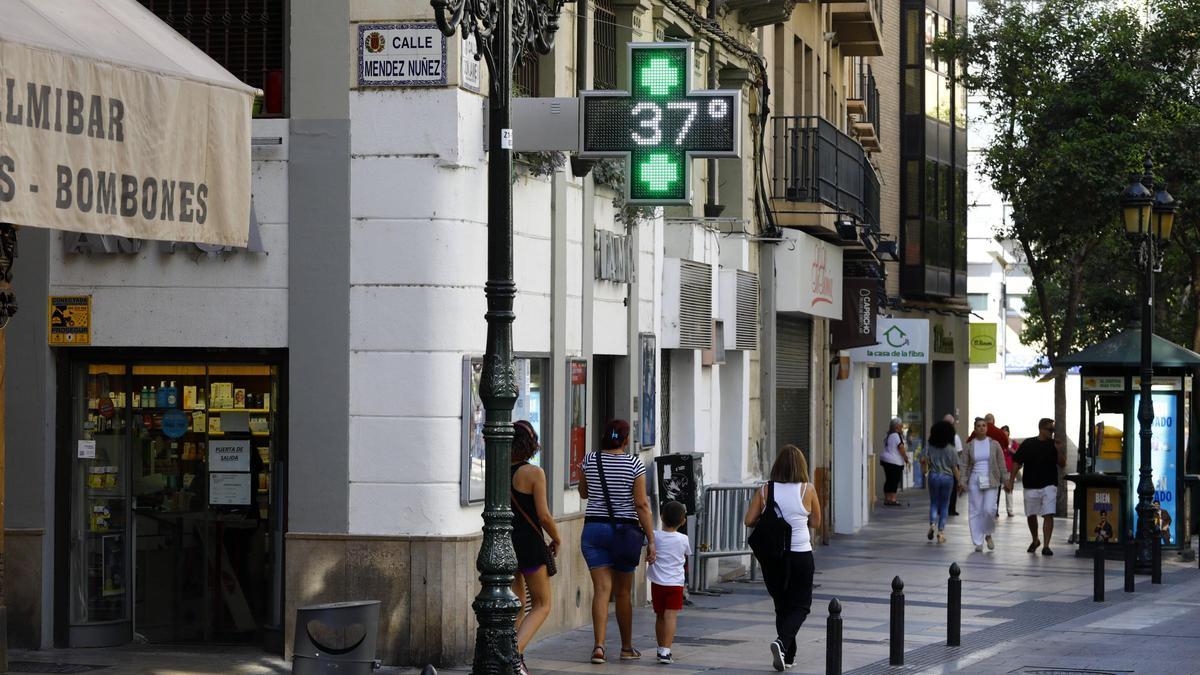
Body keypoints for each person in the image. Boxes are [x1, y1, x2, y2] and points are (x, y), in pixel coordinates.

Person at [578, 419, 656, 664]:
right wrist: (652, 539)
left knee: (601, 590)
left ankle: (599, 647)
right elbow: (641, 504)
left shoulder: (590, 460)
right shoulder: (634, 464)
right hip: (625, 533)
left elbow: (583, 492)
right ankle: (626, 647)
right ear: (624, 440)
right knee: (622, 593)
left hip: (593, 530)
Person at [744, 445, 821, 672]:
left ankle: (787, 656)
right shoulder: (808, 490)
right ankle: (782, 643)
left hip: (774, 557)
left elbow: (749, 520)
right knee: (802, 606)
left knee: (782, 606)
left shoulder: (766, 490)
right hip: (800, 554)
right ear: (802, 466)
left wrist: (771, 522)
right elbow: (816, 522)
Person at [509, 420, 562, 675]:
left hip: (505, 542)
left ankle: (510, 656)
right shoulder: (533, 473)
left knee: (517, 604)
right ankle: (513, 656)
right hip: (529, 543)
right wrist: (557, 538)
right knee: (542, 604)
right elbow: (544, 516)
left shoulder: (498, 470)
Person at [1007, 418, 1066, 556]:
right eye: (1050, 430)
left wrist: (1058, 450)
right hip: (1031, 485)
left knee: (1048, 513)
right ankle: (1035, 540)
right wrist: (1010, 480)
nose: (1052, 433)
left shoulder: (1054, 445)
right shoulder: (1028, 443)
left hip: (1049, 485)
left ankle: (1046, 546)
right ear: (1041, 429)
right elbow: (1016, 461)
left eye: (1053, 430)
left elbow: (1063, 463)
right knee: (1031, 514)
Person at [647, 500, 691, 664]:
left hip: (657, 583)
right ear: (683, 521)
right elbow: (686, 555)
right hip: (675, 584)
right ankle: (666, 651)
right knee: (670, 617)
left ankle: (660, 648)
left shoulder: (654, 536)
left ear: (662, 516)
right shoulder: (683, 539)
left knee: (659, 616)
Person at [960, 417, 1006, 552]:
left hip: (991, 480)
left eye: (984, 425)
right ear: (975, 429)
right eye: (978, 426)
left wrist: (1007, 479)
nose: (981, 428)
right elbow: (964, 465)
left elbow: (1002, 464)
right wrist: (962, 481)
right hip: (975, 480)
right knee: (975, 510)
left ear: (987, 428)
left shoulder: (994, 444)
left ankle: (988, 534)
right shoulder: (969, 446)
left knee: (989, 509)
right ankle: (978, 541)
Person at [922, 420, 961, 544]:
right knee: (944, 505)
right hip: (947, 478)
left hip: (933, 476)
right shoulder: (951, 449)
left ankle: (932, 524)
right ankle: (940, 532)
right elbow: (955, 467)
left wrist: (925, 469)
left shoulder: (929, 446)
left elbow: (923, 460)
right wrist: (960, 482)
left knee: (934, 503)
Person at [880, 418, 909, 506]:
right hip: (894, 461)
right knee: (894, 480)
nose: (902, 428)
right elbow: (900, 447)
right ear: (897, 426)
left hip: (885, 460)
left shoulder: (888, 435)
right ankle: (893, 499)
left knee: (888, 479)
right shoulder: (897, 435)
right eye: (901, 426)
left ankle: (887, 498)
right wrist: (905, 458)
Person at [944, 414, 964, 517]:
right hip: (953, 466)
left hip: (940, 468)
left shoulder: (936, 436)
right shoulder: (954, 436)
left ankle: (940, 509)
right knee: (952, 489)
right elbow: (959, 451)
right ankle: (951, 509)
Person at [1000, 425, 1018, 517]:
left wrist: (1011, 450)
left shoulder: (1013, 442)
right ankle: (994, 510)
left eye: (1006, 431)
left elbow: (1018, 454)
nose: (1004, 432)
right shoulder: (998, 442)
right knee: (995, 489)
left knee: (1008, 489)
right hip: (998, 468)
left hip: (1008, 468)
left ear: (1008, 432)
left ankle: (1009, 510)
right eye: (1002, 431)